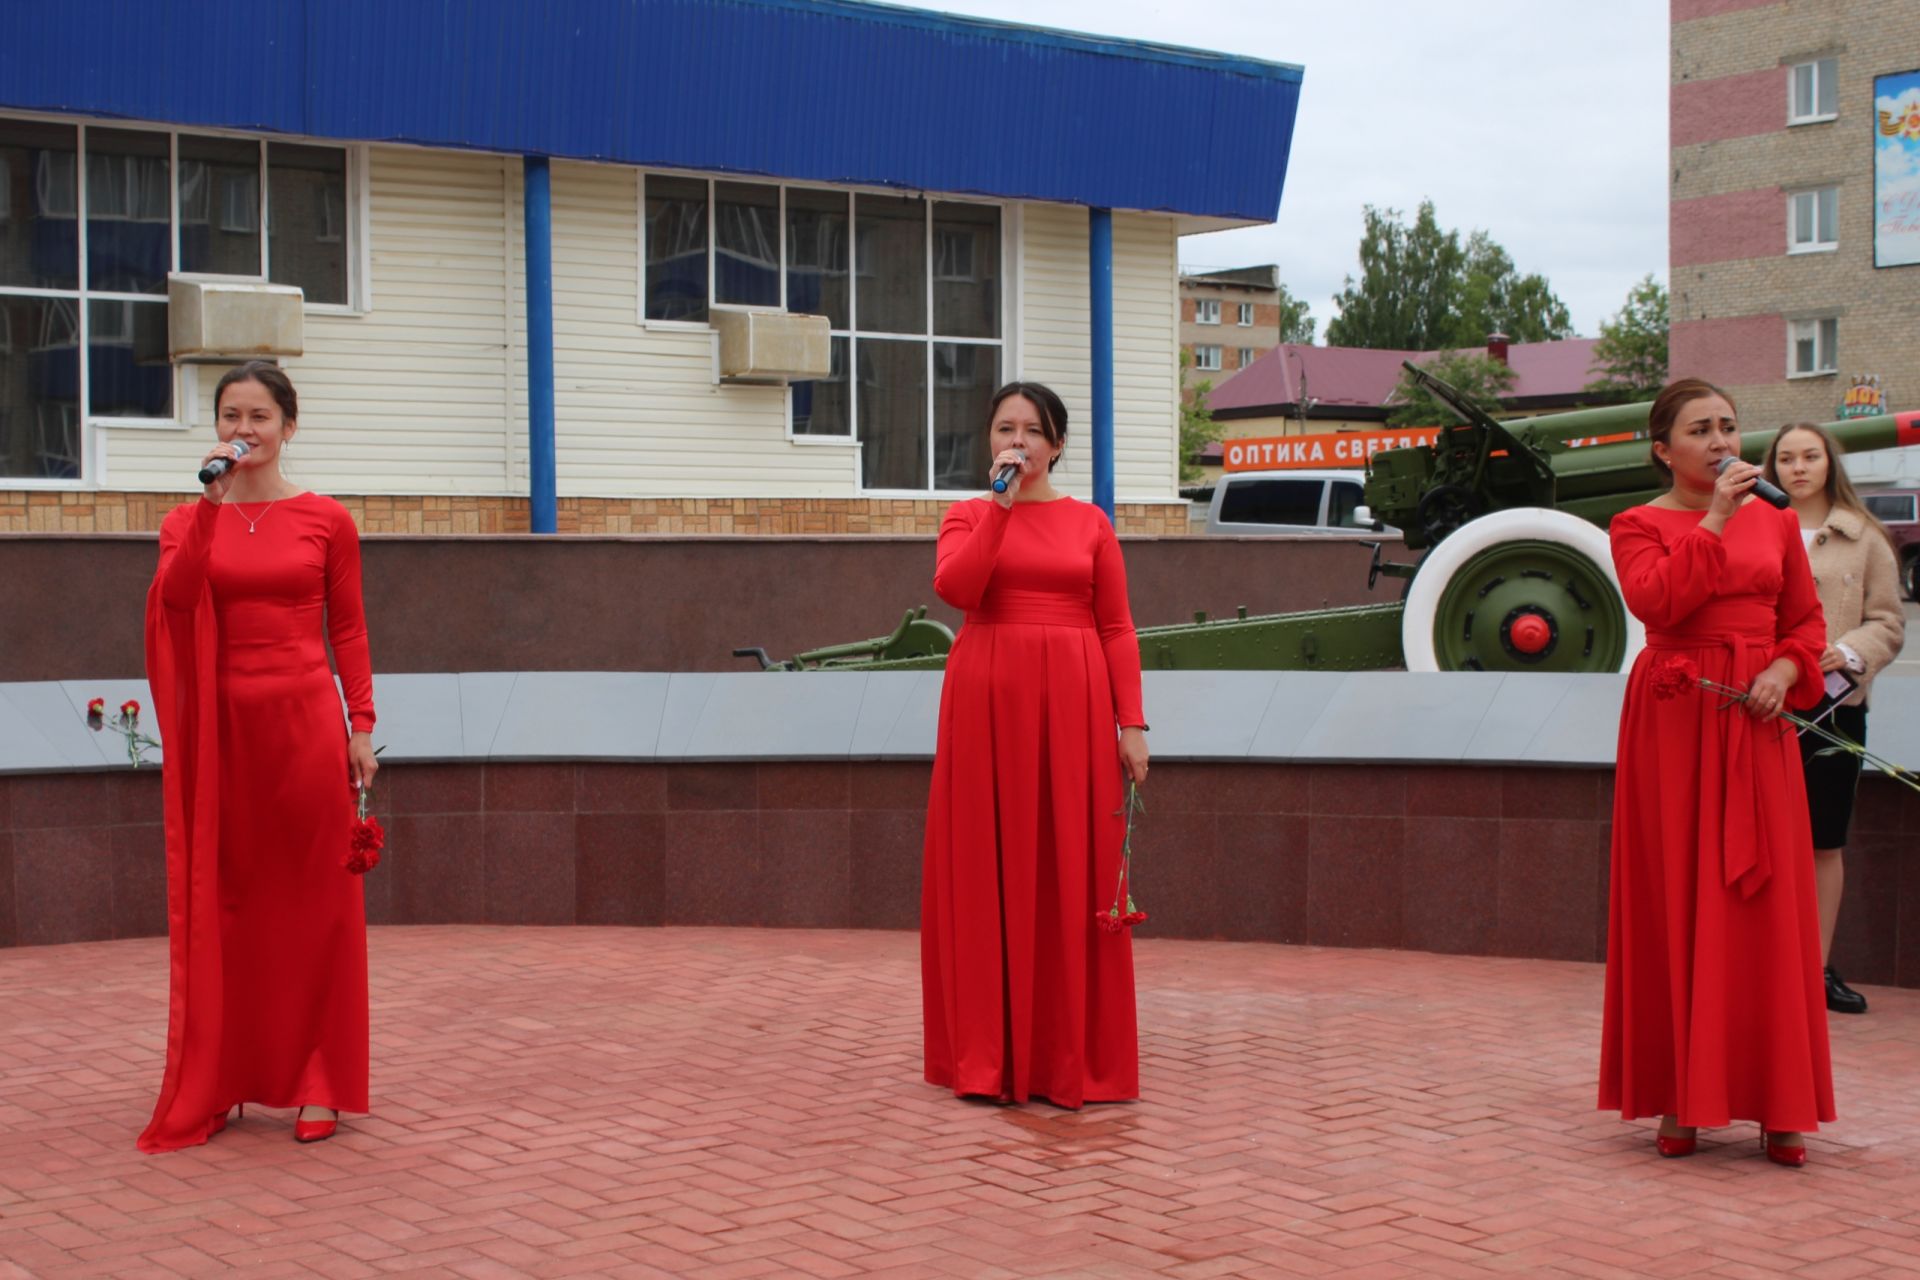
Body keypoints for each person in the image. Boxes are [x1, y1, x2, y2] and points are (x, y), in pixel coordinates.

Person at [138, 361, 379, 1152]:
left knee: (316, 908)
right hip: (223, 739)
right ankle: (221, 1079)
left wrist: (360, 725)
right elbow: (175, 601)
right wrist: (209, 511)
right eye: (230, 416)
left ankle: (319, 1079)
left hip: (305, 730)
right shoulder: (185, 520)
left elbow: (347, 629)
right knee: (228, 904)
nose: (243, 430)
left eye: (260, 417)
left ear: (289, 427)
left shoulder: (326, 520)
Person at [1599, 378, 1833, 1167]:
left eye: (1730, 426)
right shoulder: (1637, 523)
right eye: (1701, 430)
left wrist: (1786, 671)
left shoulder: (1778, 521)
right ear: (1663, 449)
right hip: (1675, 721)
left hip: (1755, 716)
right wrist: (1717, 518)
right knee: (1676, 898)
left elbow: (1804, 621)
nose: (1722, 441)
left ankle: (1779, 1104)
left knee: (1765, 901)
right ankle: (1678, 1097)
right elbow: (1657, 604)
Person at [920, 381, 1149, 1108]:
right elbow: (958, 588)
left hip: (1077, 710)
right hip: (988, 706)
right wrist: (999, 507)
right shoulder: (967, 515)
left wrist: (1132, 723)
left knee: (1068, 868)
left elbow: (1116, 627)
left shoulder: (1091, 525)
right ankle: (990, 1059)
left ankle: (1065, 1058)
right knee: (988, 866)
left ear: (1057, 445)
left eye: (1031, 431)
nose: (1015, 442)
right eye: (1003, 429)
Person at [1765, 422, 1906, 1015]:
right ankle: (1760, 964)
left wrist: (1846, 652)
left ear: (1829, 463)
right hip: (1760, 704)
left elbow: (1888, 623)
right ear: (1772, 467)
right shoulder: (1751, 528)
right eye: (1786, 458)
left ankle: (1814, 970)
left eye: (1811, 456)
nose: (1798, 468)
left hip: (1836, 709)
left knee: (1824, 840)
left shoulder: (1864, 536)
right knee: (1762, 840)